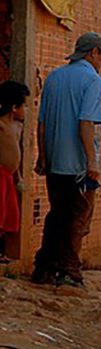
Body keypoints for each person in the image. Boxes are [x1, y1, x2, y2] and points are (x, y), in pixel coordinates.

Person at [32, 32, 101, 287]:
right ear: (92, 53)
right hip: (77, 164)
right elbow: (85, 122)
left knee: (57, 214)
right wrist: (92, 161)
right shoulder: (93, 80)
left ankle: (44, 268)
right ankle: (69, 271)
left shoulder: (54, 78)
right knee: (77, 217)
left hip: (54, 161)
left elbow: (41, 123)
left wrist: (43, 155)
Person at [0, 81, 29, 263]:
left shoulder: (17, 127)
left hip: (9, 177)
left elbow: (16, 153)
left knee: (8, 214)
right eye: (24, 105)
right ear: (14, 107)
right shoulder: (1, 126)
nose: (26, 109)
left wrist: (18, 178)